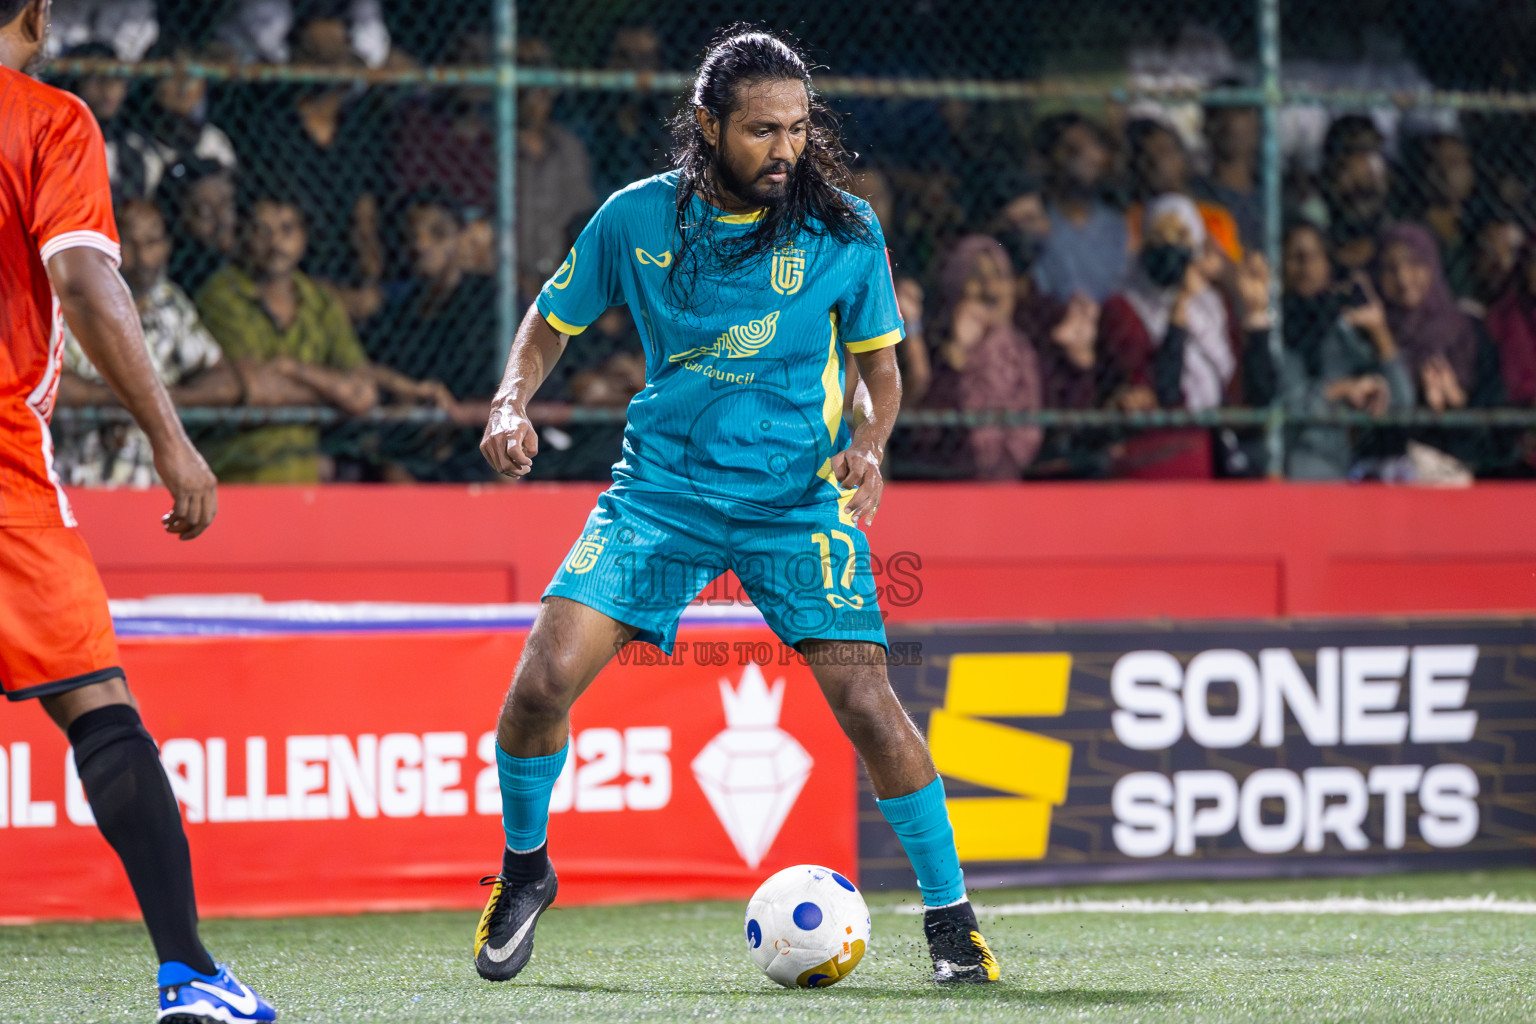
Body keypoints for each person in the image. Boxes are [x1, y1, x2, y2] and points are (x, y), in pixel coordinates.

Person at [472, 30, 998, 987]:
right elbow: (548, 325)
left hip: (796, 503)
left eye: (798, 128)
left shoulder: (844, 229)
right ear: (708, 125)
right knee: (541, 686)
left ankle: (951, 921)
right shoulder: (634, 220)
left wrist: (870, 445)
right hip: (661, 496)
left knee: (869, 704)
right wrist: (510, 400)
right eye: (761, 130)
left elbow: (880, 367)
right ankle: (524, 871)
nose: (784, 150)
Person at [0, 4, 275, 1021]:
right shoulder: (50, 120)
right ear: (37, 12)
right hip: (5, 480)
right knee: (98, 706)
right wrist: (169, 435)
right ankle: (191, 972)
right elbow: (80, 276)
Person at [55, 200, 243, 486]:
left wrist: (163, 401)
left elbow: (226, 382)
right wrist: (135, 399)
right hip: (77, 480)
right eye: (129, 242)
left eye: (152, 241)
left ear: (167, 245)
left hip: (149, 483)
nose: (142, 256)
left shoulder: (170, 304)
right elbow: (55, 383)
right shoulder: (75, 300)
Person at [197, 192, 378, 482]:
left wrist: (294, 369)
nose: (275, 243)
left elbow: (363, 389)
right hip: (235, 473)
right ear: (243, 237)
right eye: (262, 231)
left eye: (287, 229)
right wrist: (335, 391)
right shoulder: (222, 295)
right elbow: (258, 388)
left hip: (301, 479)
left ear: (304, 237)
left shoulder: (321, 302)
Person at [1099, 194, 1257, 478]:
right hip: (1162, 448)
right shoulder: (1123, 308)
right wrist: (1179, 308)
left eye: (1182, 235)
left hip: (1219, 444)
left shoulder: (1215, 305)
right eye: (1160, 235)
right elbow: (1165, 393)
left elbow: (1242, 388)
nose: (1171, 246)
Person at [1269, 220, 1414, 479]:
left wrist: (1379, 331)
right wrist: (1341, 390)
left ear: (1327, 264)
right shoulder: (1274, 330)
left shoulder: (1341, 329)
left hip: (1347, 464)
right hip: (1295, 463)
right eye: (1294, 256)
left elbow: (1402, 401)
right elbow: (1290, 406)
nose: (1305, 265)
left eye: (1314, 255)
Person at [1375, 223, 1508, 471]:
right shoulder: (1369, 330)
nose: (1403, 279)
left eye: (1415, 264)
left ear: (1432, 265)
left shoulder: (1468, 331)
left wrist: (1458, 405)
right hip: (1391, 467)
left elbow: (1494, 410)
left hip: (1463, 466)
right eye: (1390, 269)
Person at [925, 235, 1042, 479]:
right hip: (951, 482)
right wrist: (958, 355)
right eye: (978, 278)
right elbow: (928, 436)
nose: (991, 288)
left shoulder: (1026, 350)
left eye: (999, 277)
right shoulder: (936, 344)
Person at [515, 36, 597, 299]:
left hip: (564, 282)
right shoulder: (490, 147)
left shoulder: (570, 148)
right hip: (508, 283)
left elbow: (583, 224)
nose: (537, 88)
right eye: (527, 68)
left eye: (543, 70)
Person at [1032, 112, 1127, 303]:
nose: (1085, 158)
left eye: (1093, 147)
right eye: (1072, 150)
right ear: (1050, 158)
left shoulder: (1116, 226)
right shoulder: (1038, 224)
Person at [1125, 118, 1243, 263]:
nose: (1156, 161)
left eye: (1164, 151)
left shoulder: (1214, 220)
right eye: (1145, 155)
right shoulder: (1131, 222)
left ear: (1182, 157)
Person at [1195, 97, 1264, 253]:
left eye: (1242, 113)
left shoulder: (1271, 198)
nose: (1231, 124)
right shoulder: (1196, 196)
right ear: (1206, 128)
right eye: (1220, 115)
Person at [162, 159, 239, 298]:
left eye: (226, 204)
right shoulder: (182, 277)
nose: (222, 219)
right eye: (205, 212)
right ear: (182, 217)